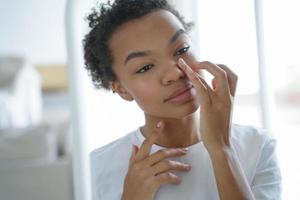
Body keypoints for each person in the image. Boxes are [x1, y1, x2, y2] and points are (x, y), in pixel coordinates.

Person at [83, 0, 282, 199]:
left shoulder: (258, 146)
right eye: (145, 67)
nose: (175, 73)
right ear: (121, 90)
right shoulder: (95, 169)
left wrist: (222, 149)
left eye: (181, 50)